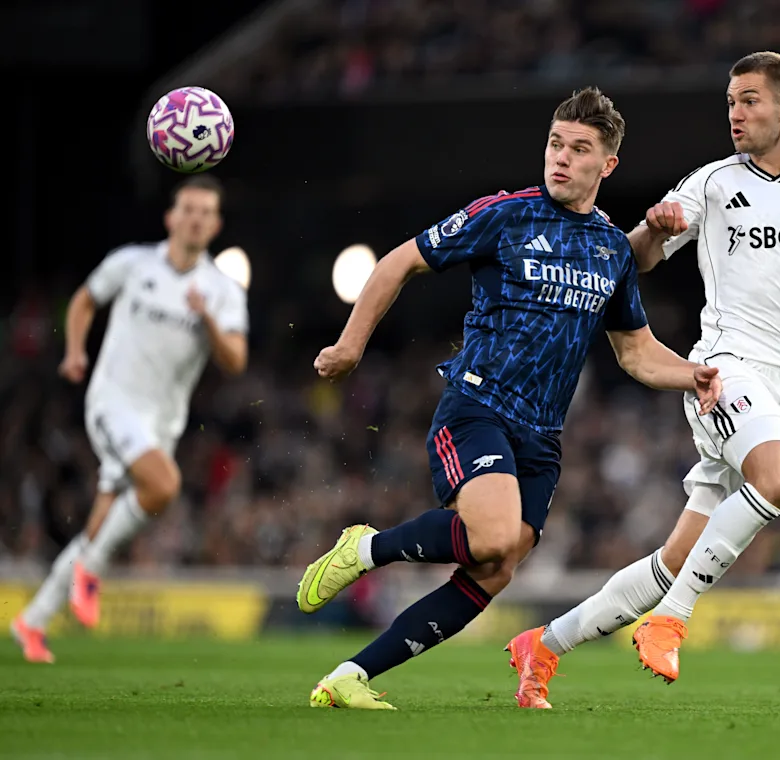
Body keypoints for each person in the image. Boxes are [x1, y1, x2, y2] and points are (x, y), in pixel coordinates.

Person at [505, 51, 780, 704]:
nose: (736, 114)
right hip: (724, 373)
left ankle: (542, 647)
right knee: (778, 478)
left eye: (748, 100)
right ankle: (672, 622)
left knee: (671, 562)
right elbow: (633, 259)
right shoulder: (714, 184)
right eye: (730, 103)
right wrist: (655, 235)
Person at [294, 87, 722, 711]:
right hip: (477, 407)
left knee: (496, 567)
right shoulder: (504, 214)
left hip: (542, 439)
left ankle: (349, 676)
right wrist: (350, 346)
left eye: (579, 149)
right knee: (492, 536)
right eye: (555, 144)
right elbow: (396, 263)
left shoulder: (610, 250)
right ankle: (366, 547)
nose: (561, 159)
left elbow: (635, 353)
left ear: (607, 166)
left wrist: (694, 374)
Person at [11, 176, 249, 663]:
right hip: (112, 401)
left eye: (206, 211)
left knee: (100, 521)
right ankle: (91, 572)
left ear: (217, 224)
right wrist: (75, 351)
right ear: (170, 217)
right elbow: (83, 300)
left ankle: (31, 621)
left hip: (162, 420)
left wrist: (205, 319)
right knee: (163, 485)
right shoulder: (132, 263)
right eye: (188, 209)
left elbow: (236, 361)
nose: (197, 218)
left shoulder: (222, 291)